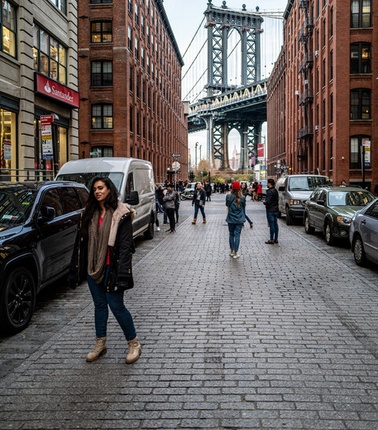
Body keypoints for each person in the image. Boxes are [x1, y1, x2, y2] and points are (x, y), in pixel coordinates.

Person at [68, 176, 141, 364]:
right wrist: (76, 267)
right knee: (99, 305)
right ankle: (100, 344)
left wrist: (123, 272)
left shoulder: (121, 213)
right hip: (93, 267)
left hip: (113, 266)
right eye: (94, 189)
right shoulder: (89, 213)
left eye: (101, 188)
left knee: (116, 305)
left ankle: (133, 343)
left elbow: (126, 246)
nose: (97, 192)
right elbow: (81, 243)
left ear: (109, 189)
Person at [226, 181, 246, 259]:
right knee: (237, 235)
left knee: (231, 234)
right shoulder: (243, 198)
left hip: (231, 218)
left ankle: (231, 251)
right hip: (239, 219)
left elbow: (227, 205)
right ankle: (235, 252)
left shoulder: (228, 196)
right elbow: (244, 206)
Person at [264, 178, 279, 244]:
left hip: (270, 210)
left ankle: (271, 239)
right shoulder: (275, 191)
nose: (267, 184)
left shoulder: (270, 191)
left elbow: (268, 201)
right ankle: (276, 238)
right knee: (275, 224)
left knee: (272, 224)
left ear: (269, 184)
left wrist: (265, 202)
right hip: (276, 209)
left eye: (267, 183)